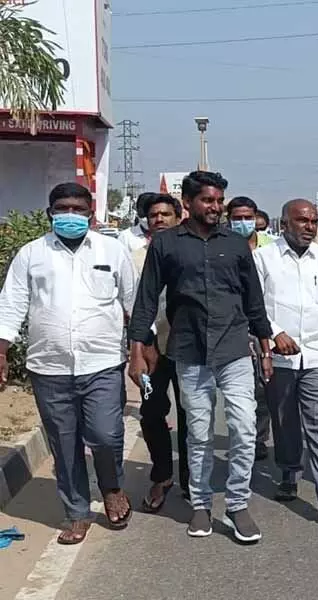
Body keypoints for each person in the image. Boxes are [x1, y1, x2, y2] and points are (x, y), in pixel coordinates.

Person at [128, 171, 273, 543]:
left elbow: (253, 299)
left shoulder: (236, 245)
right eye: (208, 200)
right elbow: (146, 299)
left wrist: (265, 343)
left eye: (219, 200)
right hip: (189, 351)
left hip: (234, 350)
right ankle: (201, 505)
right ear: (189, 203)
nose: (216, 207)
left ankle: (238, 504)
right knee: (199, 432)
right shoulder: (167, 245)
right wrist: (136, 351)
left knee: (243, 427)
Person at [0, 182, 136, 545]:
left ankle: (111, 487)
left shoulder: (112, 250)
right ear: (50, 213)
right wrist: (1, 349)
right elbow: (11, 303)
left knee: (106, 436)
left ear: (91, 213)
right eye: (63, 208)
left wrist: (141, 348)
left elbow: (132, 301)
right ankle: (76, 512)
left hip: (103, 362)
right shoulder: (32, 254)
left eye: (78, 209)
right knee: (64, 443)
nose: (71, 215)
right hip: (49, 365)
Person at [254, 199, 318, 524]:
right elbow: (253, 306)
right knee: (284, 422)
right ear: (284, 224)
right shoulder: (263, 258)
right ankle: (288, 471)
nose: (309, 226)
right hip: (279, 360)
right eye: (302, 221)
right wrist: (274, 333)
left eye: (313, 221)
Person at [131, 193, 189, 512]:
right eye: (154, 215)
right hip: (152, 351)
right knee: (152, 411)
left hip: (187, 349)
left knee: (190, 412)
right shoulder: (135, 256)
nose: (160, 219)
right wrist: (141, 345)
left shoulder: (190, 251)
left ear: (179, 217)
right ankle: (162, 475)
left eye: (166, 214)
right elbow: (133, 303)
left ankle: (191, 478)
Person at [226, 196, 273, 459]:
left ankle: (258, 438)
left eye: (248, 217)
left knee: (263, 387)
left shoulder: (271, 246)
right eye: (237, 218)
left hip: (264, 324)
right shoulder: (224, 245)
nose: (243, 223)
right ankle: (242, 438)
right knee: (241, 390)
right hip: (234, 324)